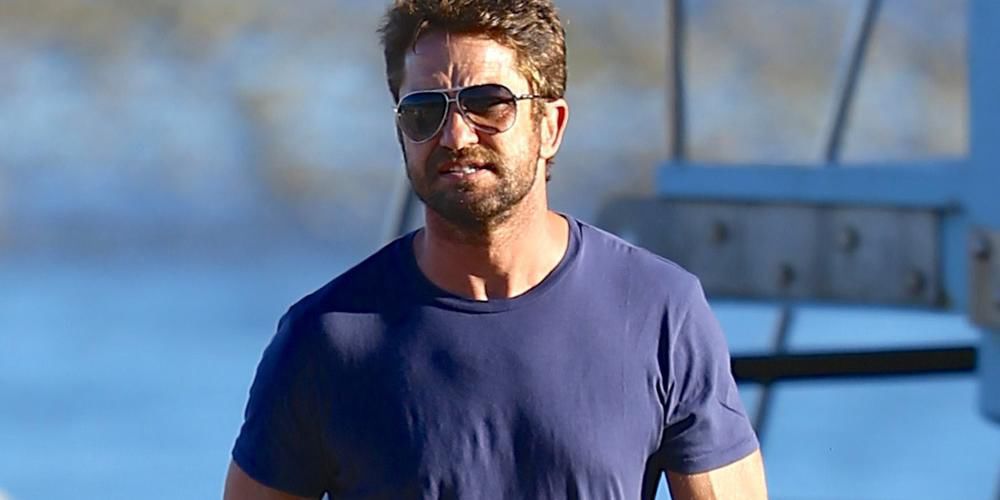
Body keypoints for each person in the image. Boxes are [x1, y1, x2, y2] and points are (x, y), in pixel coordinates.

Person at [224, 0, 768, 498]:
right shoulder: (325, 340)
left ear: (550, 126)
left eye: (488, 104)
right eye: (423, 112)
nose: (456, 137)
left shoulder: (660, 312)